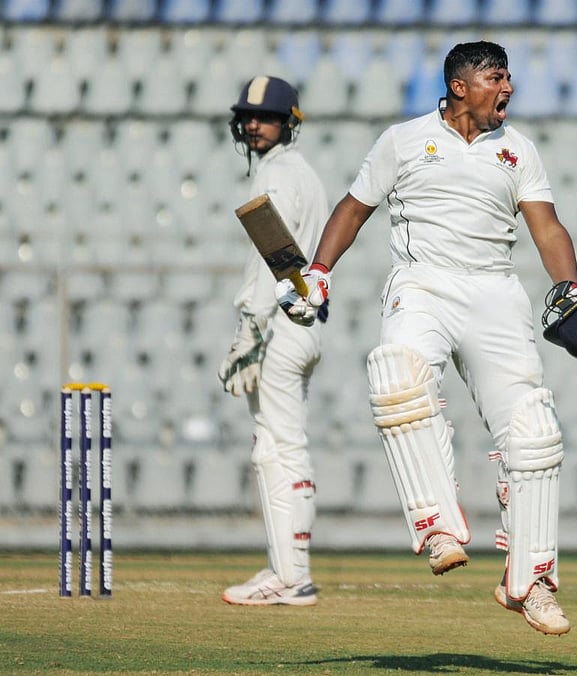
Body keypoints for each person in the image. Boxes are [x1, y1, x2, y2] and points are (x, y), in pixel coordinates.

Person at [279, 41, 577, 634]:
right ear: (461, 85)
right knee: (397, 373)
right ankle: (436, 524)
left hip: (496, 292)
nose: (509, 89)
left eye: (510, 78)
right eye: (498, 78)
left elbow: (546, 226)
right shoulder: (404, 139)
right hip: (422, 284)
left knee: (534, 432)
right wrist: (318, 272)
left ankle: (534, 580)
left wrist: (569, 286)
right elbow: (353, 207)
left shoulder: (518, 149)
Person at [217, 75, 329, 606]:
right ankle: (294, 569)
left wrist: (250, 330)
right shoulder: (299, 172)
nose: (255, 125)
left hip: (281, 326)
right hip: (304, 325)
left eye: (267, 117)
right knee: (289, 445)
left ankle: (288, 577)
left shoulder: (281, 175)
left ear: (290, 123)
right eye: (250, 117)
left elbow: (274, 255)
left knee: (273, 448)